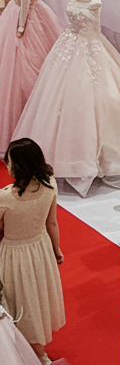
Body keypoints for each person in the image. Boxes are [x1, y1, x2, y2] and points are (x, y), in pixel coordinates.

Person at [0, 138, 64, 361]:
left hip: (13, 254)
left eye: (8, 161)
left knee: (18, 301)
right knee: (37, 298)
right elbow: (52, 222)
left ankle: (30, 351)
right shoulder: (50, 184)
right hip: (40, 249)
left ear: (19, 165)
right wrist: (56, 250)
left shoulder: (6, 196)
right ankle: (39, 349)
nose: (6, 165)